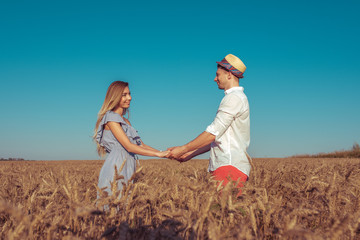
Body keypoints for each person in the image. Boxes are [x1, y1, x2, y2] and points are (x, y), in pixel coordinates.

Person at [168, 54, 251, 196]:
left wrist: (183, 149)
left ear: (229, 75)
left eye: (218, 75)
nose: (215, 78)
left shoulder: (233, 98)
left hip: (228, 167)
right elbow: (217, 139)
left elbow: (212, 133)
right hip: (228, 167)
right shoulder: (235, 98)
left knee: (223, 214)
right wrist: (189, 154)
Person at [94, 81, 169, 197]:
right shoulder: (111, 118)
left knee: (125, 205)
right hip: (116, 168)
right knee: (113, 206)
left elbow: (141, 145)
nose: (129, 98)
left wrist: (163, 153)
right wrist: (158, 155)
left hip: (129, 167)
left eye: (129, 94)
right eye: (124, 95)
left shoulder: (126, 122)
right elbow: (129, 146)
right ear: (115, 96)